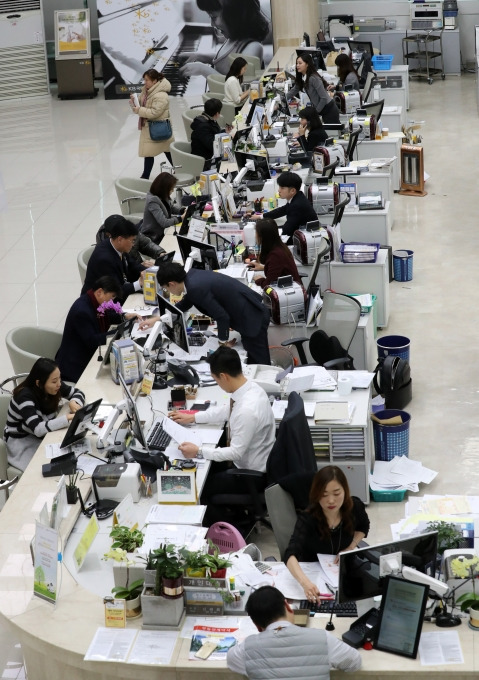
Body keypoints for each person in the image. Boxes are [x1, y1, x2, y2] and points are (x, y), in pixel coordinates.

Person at [170, 346, 275, 523]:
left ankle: (229, 529)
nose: (218, 385)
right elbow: (228, 410)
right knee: (200, 470)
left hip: (250, 474)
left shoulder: (247, 411)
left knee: (198, 488)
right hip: (252, 460)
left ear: (224, 376)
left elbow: (236, 452)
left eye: (216, 380)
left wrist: (198, 451)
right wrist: (193, 417)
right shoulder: (250, 389)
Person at [227, 585, 361, 679]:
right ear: (287, 606)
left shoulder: (246, 649)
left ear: (257, 625)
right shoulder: (322, 639)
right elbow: (355, 662)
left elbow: (231, 658)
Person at [152, 262, 271, 364]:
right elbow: (185, 304)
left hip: (252, 318)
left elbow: (222, 316)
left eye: (166, 289)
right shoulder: (192, 277)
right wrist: (159, 318)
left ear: (172, 283)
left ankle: (271, 389)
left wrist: (222, 344)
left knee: (260, 363)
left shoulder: (194, 288)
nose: (168, 291)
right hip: (249, 310)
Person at [284, 466, 370, 602]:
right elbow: (290, 554)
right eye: (324, 495)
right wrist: (305, 583)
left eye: (336, 493)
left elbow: (364, 527)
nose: (331, 500)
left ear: (345, 491)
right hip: (314, 574)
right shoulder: (308, 518)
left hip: (342, 573)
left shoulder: (355, 507)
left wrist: (350, 548)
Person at [4, 358, 85, 472]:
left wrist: (74, 402)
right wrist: (67, 417)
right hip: (23, 442)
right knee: (49, 469)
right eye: (54, 381)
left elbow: (78, 393)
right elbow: (38, 429)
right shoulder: (24, 397)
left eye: (59, 378)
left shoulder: (54, 385)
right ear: (39, 383)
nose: (59, 384)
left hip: (42, 435)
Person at [56, 276, 123, 383]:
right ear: (100, 292)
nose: (112, 302)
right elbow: (93, 341)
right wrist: (118, 332)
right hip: (75, 365)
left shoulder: (93, 300)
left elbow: (108, 316)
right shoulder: (82, 311)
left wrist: (124, 317)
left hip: (86, 354)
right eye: (111, 297)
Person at [179, 0, 269, 78]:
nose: (212, 24)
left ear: (234, 16)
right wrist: (200, 56)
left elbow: (237, 87)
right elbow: (226, 62)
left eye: (214, 17)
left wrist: (203, 69)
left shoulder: (253, 48)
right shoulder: (234, 39)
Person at [82, 215, 145, 303]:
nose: (133, 244)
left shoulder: (115, 244)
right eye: (132, 240)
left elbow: (131, 263)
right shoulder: (104, 260)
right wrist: (139, 283)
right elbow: (116, 290)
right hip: (99, 303)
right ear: (120, 239)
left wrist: (149, 271)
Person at [129, 68, 174, 180]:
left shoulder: (161, 95)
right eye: (144, 80)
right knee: (150, 152)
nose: (145, 82)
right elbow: (140, 104)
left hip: (157, 127)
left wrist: (139, 110)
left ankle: (146, 176)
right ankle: (145, 175)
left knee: (166, 150)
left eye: (147, 80)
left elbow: (154, 112)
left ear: (155, 81)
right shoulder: (146, 90)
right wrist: (133, 102)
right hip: (150, 127)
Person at [252, 171, 317, 244]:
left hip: (303, 240)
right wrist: (261, 216)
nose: (279, 190)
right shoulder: (298, 197)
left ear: (292, 190)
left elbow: (287, 230)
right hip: (303, 234)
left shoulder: (297, 205)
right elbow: (282, 210)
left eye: (282, 188)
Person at [248, 218, 303, 289]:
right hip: (288, 288)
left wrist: (259, 280)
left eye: (256, 233)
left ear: (263, 236)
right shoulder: (279, 246)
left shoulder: (276, 256)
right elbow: (278, 270)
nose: (255, 236)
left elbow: (268, 286)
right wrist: (263, 267)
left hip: (289, 294)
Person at [288, 53, 340, 125]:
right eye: (297, 63)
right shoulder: (302, 77)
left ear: (307, 64)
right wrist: (283, 98)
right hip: (322, 110)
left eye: (300, 63)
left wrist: (315, 113)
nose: (297, 65)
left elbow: (324, 98)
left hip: (329, 110)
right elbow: (294, 90)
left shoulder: (313, 78)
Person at [140, 172, 183, 245]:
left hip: (162, 233)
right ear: (164, 188)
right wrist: (180, 218)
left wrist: (182, 210)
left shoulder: (162, 195)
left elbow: (170, 207)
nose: (172, 191)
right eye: (171, 189)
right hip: (153, 237)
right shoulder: (152, 200)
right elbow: (164, 223)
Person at [190, 98, 230, 170]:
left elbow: (214, 135)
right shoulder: (204, 126)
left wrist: (225, 131)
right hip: (205, 161)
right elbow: (212, 145)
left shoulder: (209, 119)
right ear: (217, 114)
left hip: (210, 154)